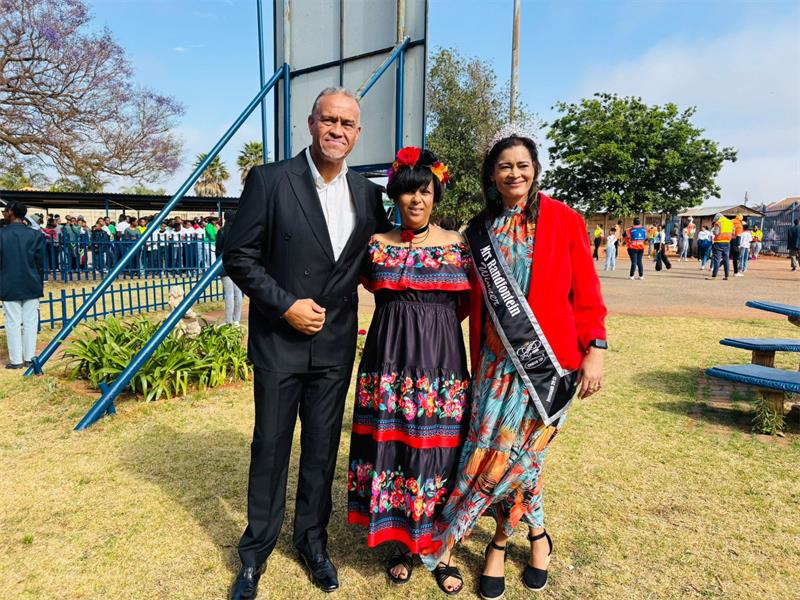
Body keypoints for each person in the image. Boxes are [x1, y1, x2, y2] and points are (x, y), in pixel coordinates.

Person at [419, 131, 607, 599]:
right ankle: (536, 536)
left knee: (519, 457)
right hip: (492, 368)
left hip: (548, 366)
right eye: (505, 166)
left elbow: (586, 290)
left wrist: (595, 348)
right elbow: (459, 299)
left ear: (535, 169)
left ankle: (500, 542)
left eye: (522, 165)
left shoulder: (565, 221)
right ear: (492, 175)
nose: (514, 173)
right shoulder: (478, 231)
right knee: (500, 458)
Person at [223, 87, 391, 600]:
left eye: (348, 124)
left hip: (336, 346)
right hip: (279, 341)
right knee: (269, 448)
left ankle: (312, 542)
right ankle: (254, 554)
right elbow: (239, 255)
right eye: (329, 120)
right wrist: (285, 304)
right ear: (311, 122)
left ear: (358, 134)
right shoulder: (271, 180)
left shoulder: (367, 194)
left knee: (321, 452)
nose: (337, 131)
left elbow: (385, 257)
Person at [346, 148, 471, 590]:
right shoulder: (376, 246)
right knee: (397, 449)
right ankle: (403, 542)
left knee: (440, 451)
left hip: (442, 365)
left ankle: (443, 549)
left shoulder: (458, 244)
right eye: (407, 192)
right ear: (395, 197)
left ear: (436, 194)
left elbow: (468, 305)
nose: (416, 200)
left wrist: (431, 330)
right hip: (387, 363)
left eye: (425, 191)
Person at [0, 201, 44, 369]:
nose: (3, 213)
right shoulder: (36, 235)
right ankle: (30, 357)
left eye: (5, 211)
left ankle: (16, 360)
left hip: (9, 282)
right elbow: (40, 263)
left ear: (11, 212)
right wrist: (39, 283)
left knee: (12, 321)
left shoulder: (2, 234)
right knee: (31, 321)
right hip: (31, 281)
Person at [216, 210, 244, 326]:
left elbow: (218, 250)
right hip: (237, 265)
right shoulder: (239, 232)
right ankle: (236, 320)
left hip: (224, 265)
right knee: (238, 293)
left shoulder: (221, 232)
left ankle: (228, 320)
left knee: (229, 294)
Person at [709, 212, 733, 280]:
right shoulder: (730, 222)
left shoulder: (718, 223)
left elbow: (716, 233)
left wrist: (713, 232)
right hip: (727, 242)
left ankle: (714, 275)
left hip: (718, 243)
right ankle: (726, 276)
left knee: (717, 259)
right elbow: (733, 232)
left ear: (717, 218)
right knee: (726, 259)